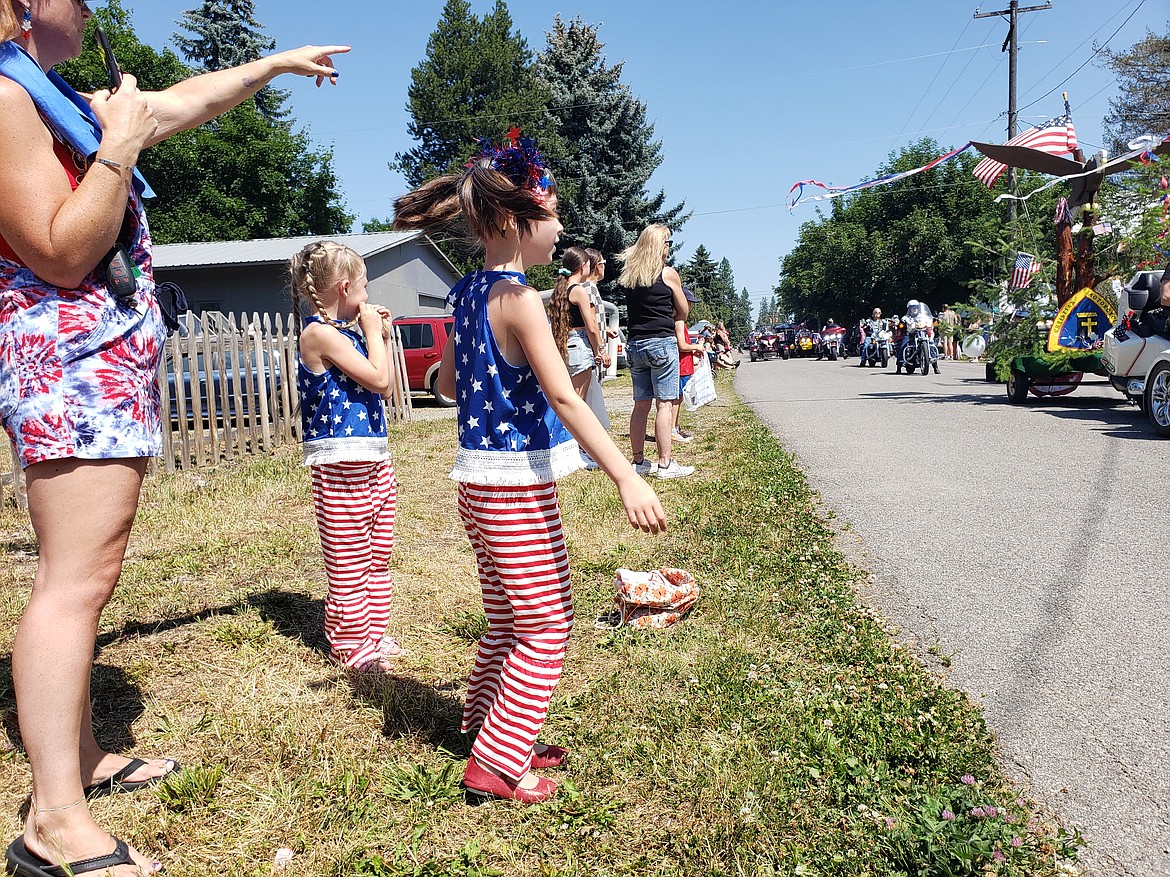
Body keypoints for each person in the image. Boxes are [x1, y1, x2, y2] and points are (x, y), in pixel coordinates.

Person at [0, 1, 347, 872]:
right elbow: (59, 250)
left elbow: (188, 98)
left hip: (96, 362)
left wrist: (271, 66)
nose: (88, 5)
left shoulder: (49, 93)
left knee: (91, 574)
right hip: (65, 361)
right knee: (73, 582)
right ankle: (53, 819)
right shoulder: (5, 98)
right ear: (26, 6)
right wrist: (116, 142)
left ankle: (78, 759)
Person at [392, 132, 666, 804]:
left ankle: (491, 730)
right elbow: (567, 397)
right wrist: (626, 475)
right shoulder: (519, 298)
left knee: (508, 623)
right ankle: (494, 765)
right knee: (547, 624)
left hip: (476, 484)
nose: (562, 231)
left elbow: (449, 386)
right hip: (515, 486)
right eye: (554, 217)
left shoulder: (464, 295)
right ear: (516, 222)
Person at [291, 241, 403, 673]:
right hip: (340, 465)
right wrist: (374, 334)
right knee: (348, 563)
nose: (369, 295)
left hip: (373, 456)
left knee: (377, 554)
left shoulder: (348, 332)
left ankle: (374, 634)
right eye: (364, 286)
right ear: (344, 287)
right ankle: (351, 646)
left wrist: (379, 335)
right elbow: (380, 381)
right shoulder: (317, 334)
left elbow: (377, 372)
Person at [618, 225, 693, 479]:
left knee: (640, 406)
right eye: (667, 243)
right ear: (659, 245)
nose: (669, 248)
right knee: (664, 405)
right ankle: (665, 464)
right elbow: (683, 311)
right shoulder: (668, 274)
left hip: (635, 345)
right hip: (661, 343)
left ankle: (638, 460)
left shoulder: (630, 275)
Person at [671, 288, 705, 444]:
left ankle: (676, 428)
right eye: (688, 303)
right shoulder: (678, 322)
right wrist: (696, 347)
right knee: (675, 400)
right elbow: (681, 346)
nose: (689, 307)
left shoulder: (682, 322)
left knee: (679, 398)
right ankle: (671, 430)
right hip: (680, 366)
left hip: (685, 365)